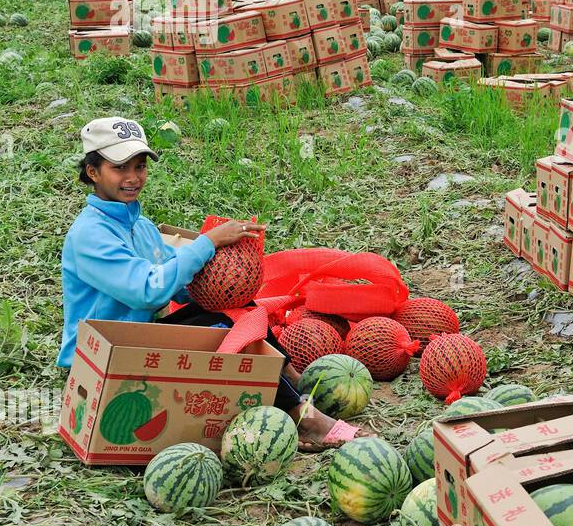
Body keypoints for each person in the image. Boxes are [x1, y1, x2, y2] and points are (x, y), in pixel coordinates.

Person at [59, 116, 358, 450]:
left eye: (140, 167)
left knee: (238, 312)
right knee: (222, 326)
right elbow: (147, 291)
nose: (133, 178)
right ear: (93, 172)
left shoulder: (138, 225)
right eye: (120, 168)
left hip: (133, 340)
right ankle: (302, 417)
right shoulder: (90, 234)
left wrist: (224, 279)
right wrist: (208, 243)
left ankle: (291, 380)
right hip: (101, 357)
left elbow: (172, 282)